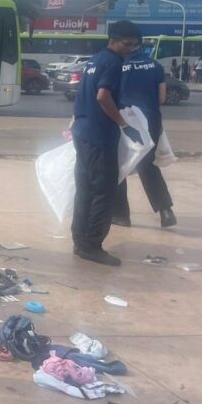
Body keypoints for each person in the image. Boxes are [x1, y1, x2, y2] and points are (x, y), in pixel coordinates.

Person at [70, 20, 144, 267]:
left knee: (85, 189)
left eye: (135, 45)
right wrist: (123, 123)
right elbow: (103, 96)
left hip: (83, 132)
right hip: (100, 136)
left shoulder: (96, 59)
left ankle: (80, 241)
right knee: (104, 192)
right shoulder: (113, 62)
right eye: (127, 44)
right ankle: (91, 246)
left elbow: (85, 94)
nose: (131, 49)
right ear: (113, 40)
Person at [113, 51, 176, 228]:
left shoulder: (117, 65)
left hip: (124, 121)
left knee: (118, 166)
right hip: (150, 121)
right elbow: (162, 98)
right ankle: (165, 211)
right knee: (148, 166)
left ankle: (120, 215)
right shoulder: (155, 65)